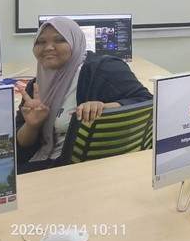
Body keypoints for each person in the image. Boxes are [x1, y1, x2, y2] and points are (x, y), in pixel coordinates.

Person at [16, 17, 153, 174]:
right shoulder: (36, 86)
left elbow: (147, 101)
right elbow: (19, 148)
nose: (48, 47)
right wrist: (32, 126)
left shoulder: (103, 69)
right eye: (40, 42)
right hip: (48, 161)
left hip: (85, 167)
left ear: (75, 42)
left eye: (59, 40)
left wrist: (105, 107)